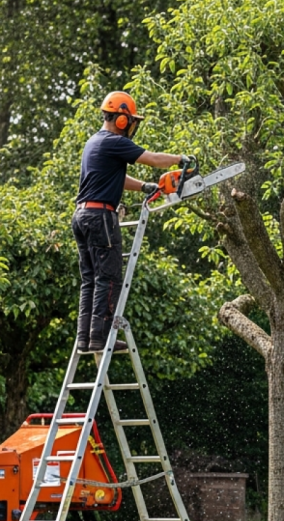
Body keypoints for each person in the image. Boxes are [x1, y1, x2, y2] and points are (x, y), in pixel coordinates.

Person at [73, 90, 196, 353]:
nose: (131, 126)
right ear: (121, 119)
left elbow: (114, 179)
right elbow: (151, 158)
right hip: (100, 217)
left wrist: (144, 187)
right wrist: (179, 159)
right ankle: (101, 338)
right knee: (108, 278)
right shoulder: (113, 141)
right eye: (130, 120)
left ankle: (85, 339)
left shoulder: (94, 142)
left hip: (82, 216)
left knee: (90, 279)